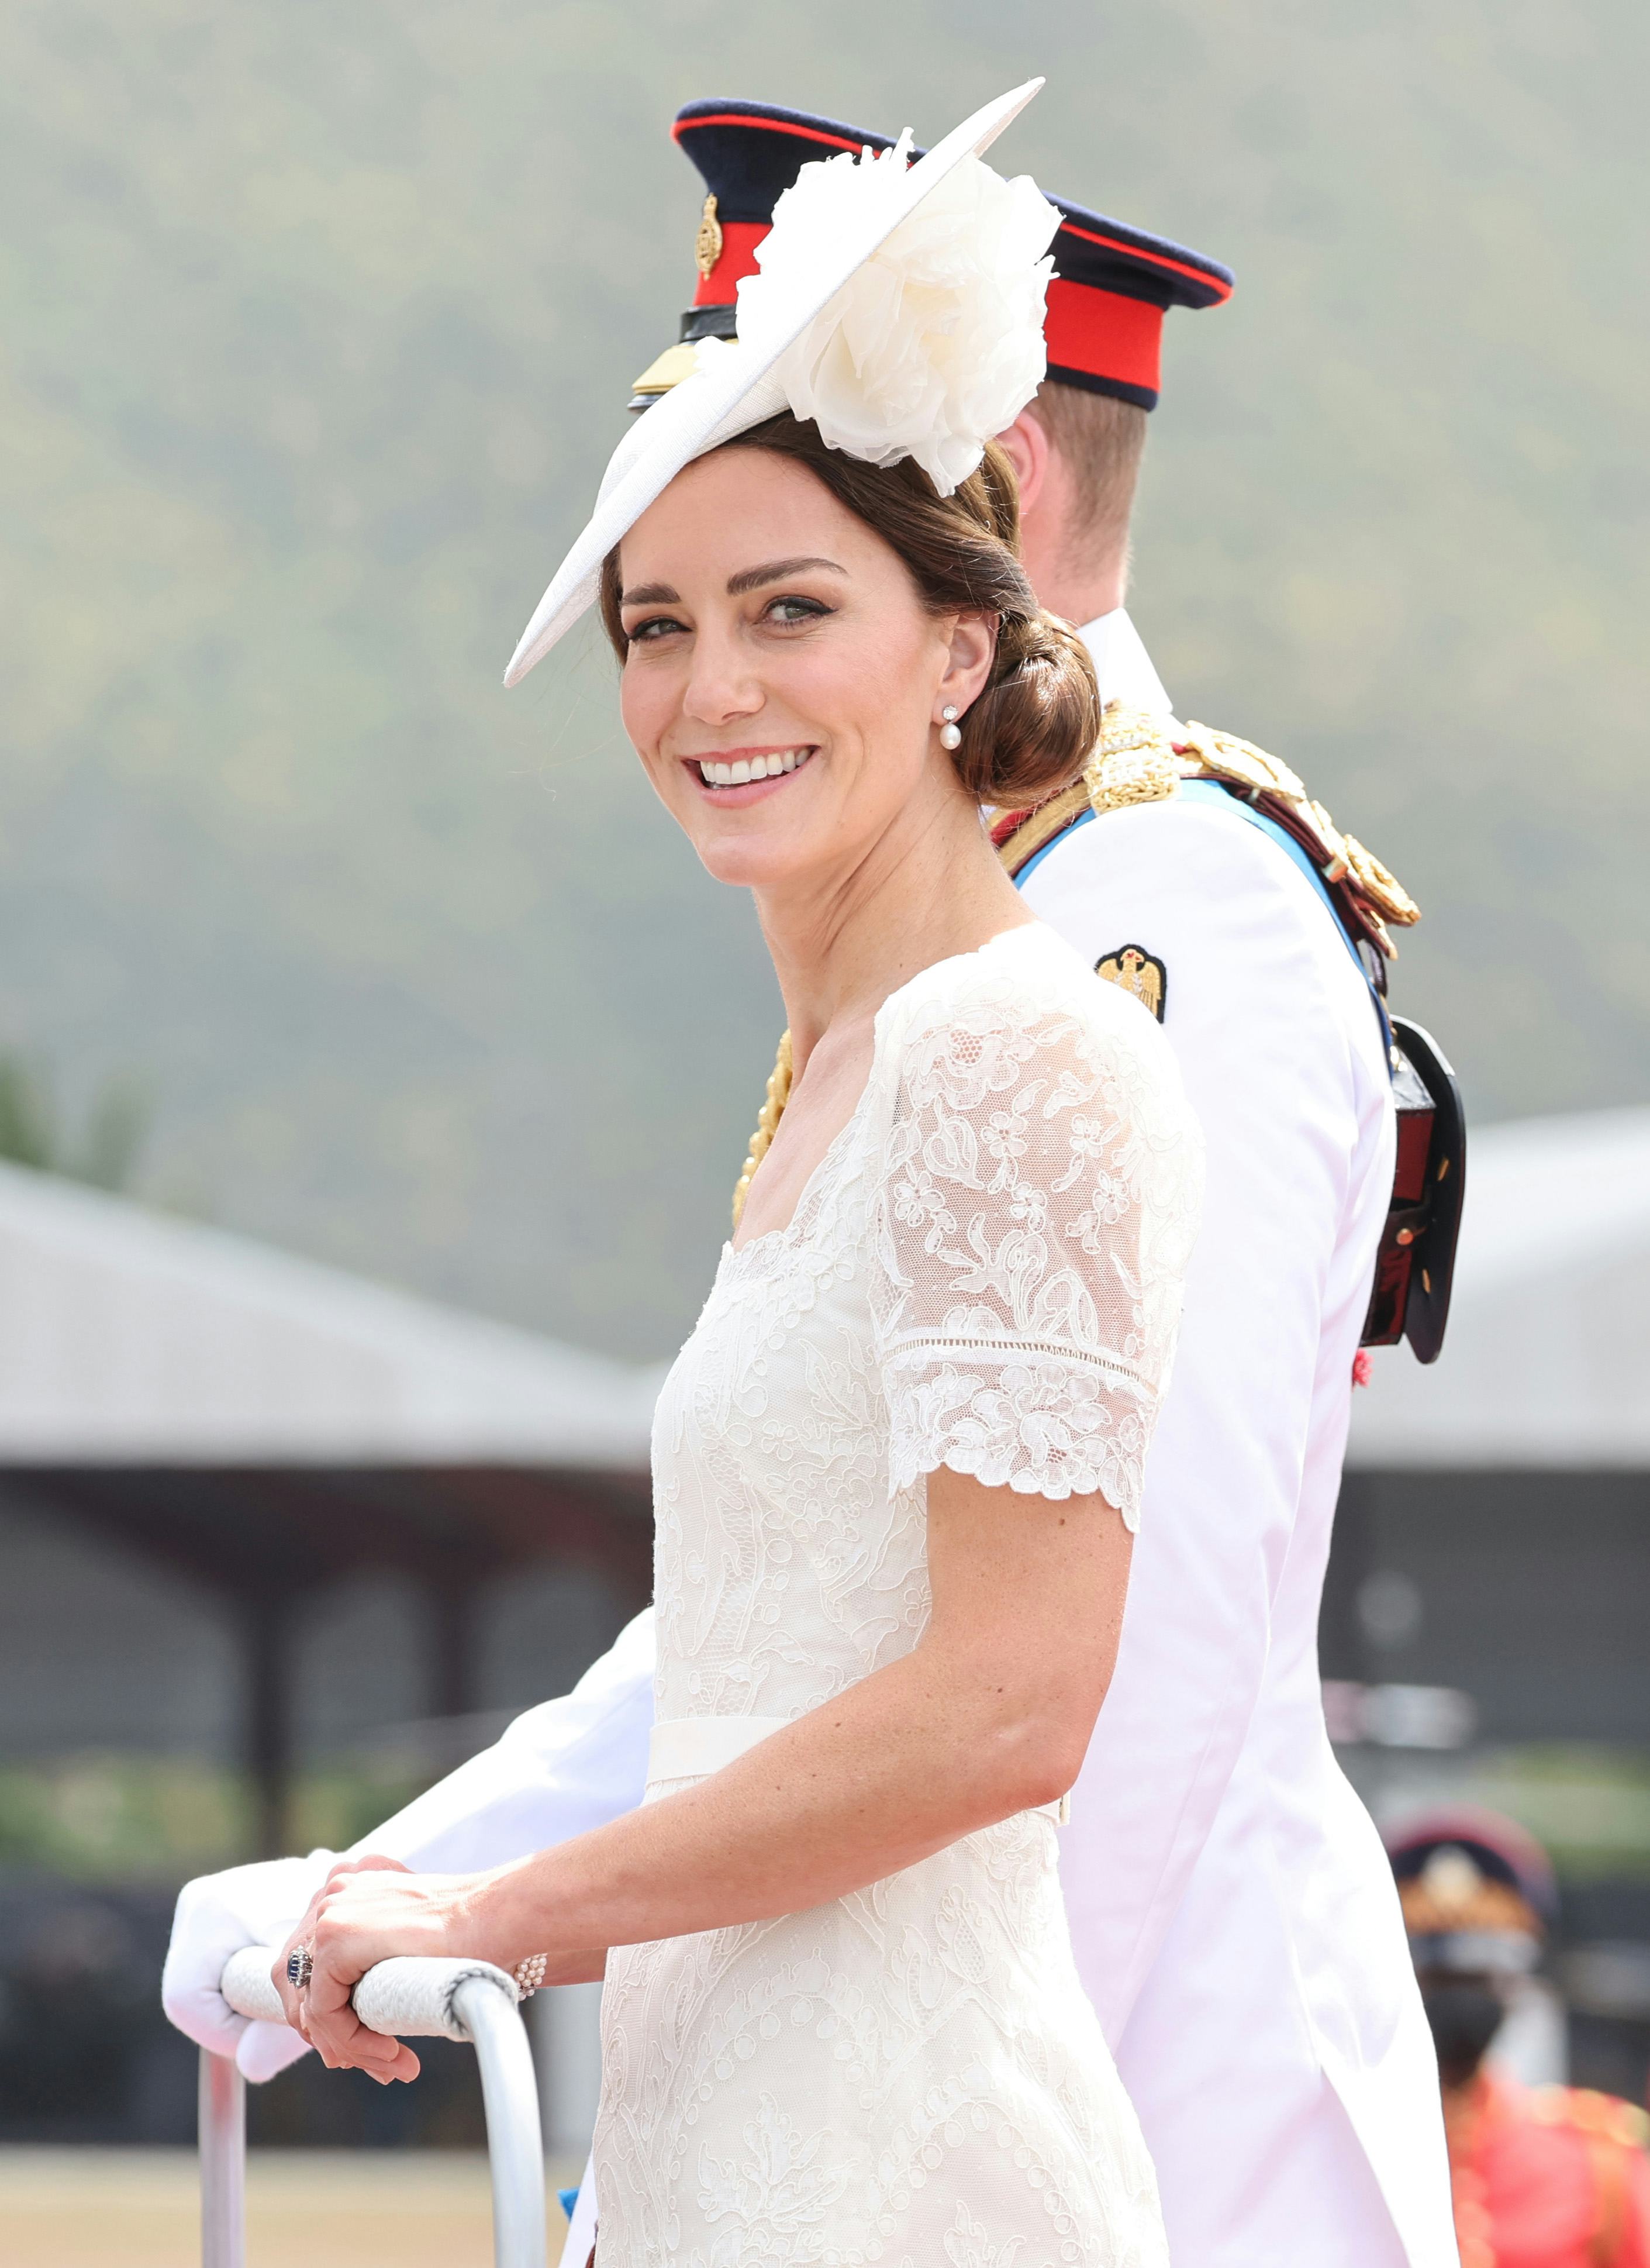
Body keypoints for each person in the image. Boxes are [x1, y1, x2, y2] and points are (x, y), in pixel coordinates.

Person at [163, 92, 1456, 2268]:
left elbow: (1086, 1680)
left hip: (1112, 2099)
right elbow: (794, 1613)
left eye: (784, 586)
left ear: (984, 524)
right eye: (653, 615)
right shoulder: (899, 961)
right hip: (784, 2092)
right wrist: (393, 1898)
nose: (706, 679)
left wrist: (602, 1973)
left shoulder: (1144, 921)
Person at [1392, 1812, 1650, 2268]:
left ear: (1517, 1983)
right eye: (1436, 1977)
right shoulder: (1318, 2159)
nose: (1458, 1998)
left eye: (1480, 1977)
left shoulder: (1599, 2166)